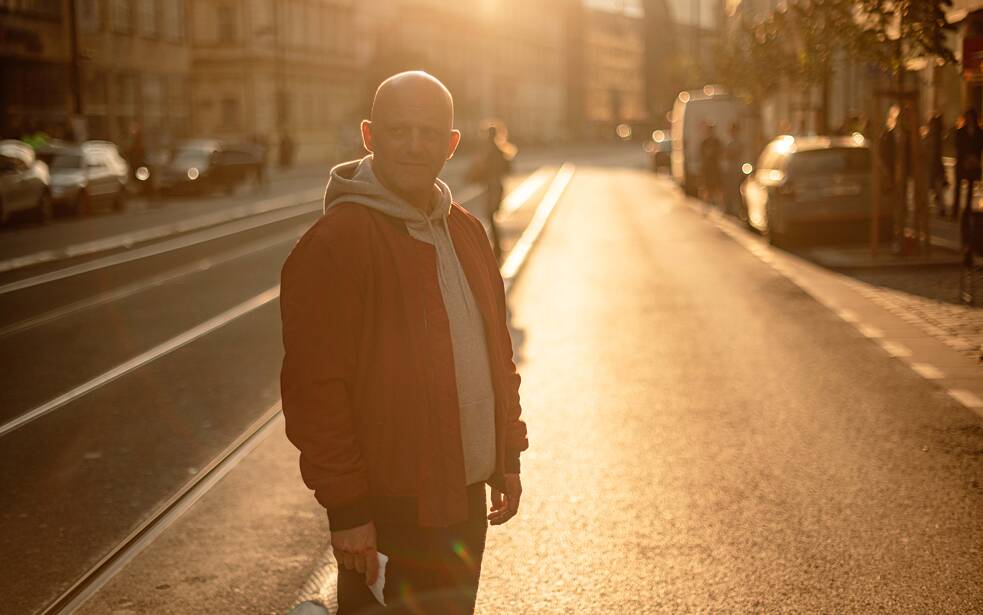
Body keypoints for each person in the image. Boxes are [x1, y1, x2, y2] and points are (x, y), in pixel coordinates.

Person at [280, 71, 527, 615]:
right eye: (398, 131)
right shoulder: (336, 243)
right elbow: (314, 390)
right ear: (369, 136)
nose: (415, 146)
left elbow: (495, 356)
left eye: (429, 132)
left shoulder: (465, 231)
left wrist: (507, 454)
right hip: (390, 509)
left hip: (460, 499)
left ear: (451, 143)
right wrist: (347, 509)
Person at [468, 122, 515, 262]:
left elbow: (482, 170)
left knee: (490, 217)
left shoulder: (491, 151)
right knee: (491, 217)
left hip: (493, 187)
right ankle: (497, 249)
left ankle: (497, 249)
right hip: (495, 186)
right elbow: (508, 169)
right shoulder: (499, 150)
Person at [953, 108, 982, 223]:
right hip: (962, 161)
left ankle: (967, 210)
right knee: (958, 187)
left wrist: (974, 159)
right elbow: (958, 146)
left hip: (974, 162)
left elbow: (980, 146)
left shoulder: (979, 132)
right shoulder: (961, 131)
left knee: (970, 187)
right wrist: (965, 157)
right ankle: (955, 210)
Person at [924, 112, 947, 218]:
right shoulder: (933, 136)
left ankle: (940, 208)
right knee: (936, 189)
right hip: (931, 165)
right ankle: (940, 208)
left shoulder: (935, 137)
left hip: (934, 166)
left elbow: (935, 153)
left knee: (937, 189)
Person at [699, 122, 723, 210]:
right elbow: (701, 155)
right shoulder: (704, 143)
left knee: (718, 188)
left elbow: (721, 153)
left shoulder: (717, 142)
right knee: (706, 188)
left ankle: (720, 208)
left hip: (715, 168)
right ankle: (705, 207)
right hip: (707, 169)